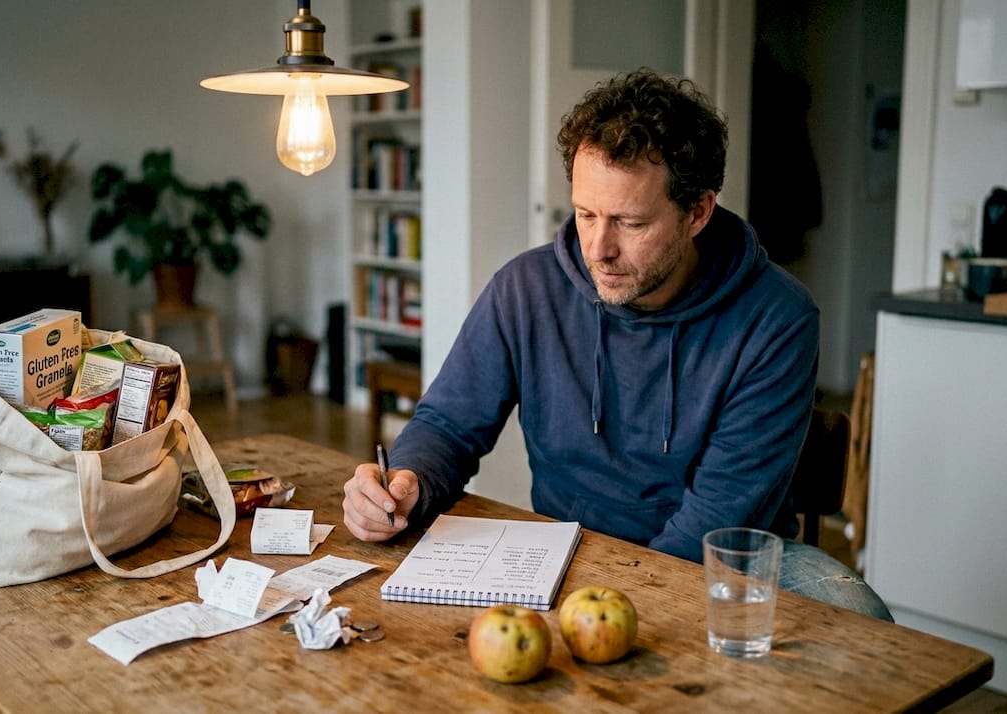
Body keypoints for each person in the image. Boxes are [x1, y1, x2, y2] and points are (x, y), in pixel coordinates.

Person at [342, 68, 891, 621]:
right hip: (570, 547)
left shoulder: (777, 317)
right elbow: (448, 424)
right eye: (585, 215)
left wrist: (618, 609)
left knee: (861, 615)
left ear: (697, 211)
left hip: (722, 559)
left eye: (629, 222)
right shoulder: (526, 288)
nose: (598, 249)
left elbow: (720, 518)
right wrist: (406, 481)